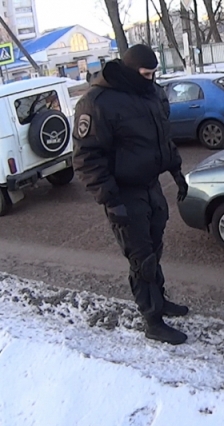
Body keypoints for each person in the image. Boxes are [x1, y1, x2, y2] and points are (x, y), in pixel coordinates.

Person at [72, 44, 190, 345]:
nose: (151, 79)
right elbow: (87, 159)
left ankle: (160, 301)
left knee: (155, 249)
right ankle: (152, 320)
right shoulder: (98, 102)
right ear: (129, 69)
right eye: (146, 74)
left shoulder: (151, 93)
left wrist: (177, 173)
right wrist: (111, 202)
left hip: (151, 187)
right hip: (124, 194)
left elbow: (164, 139)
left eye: (154, 74)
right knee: (141, 258)